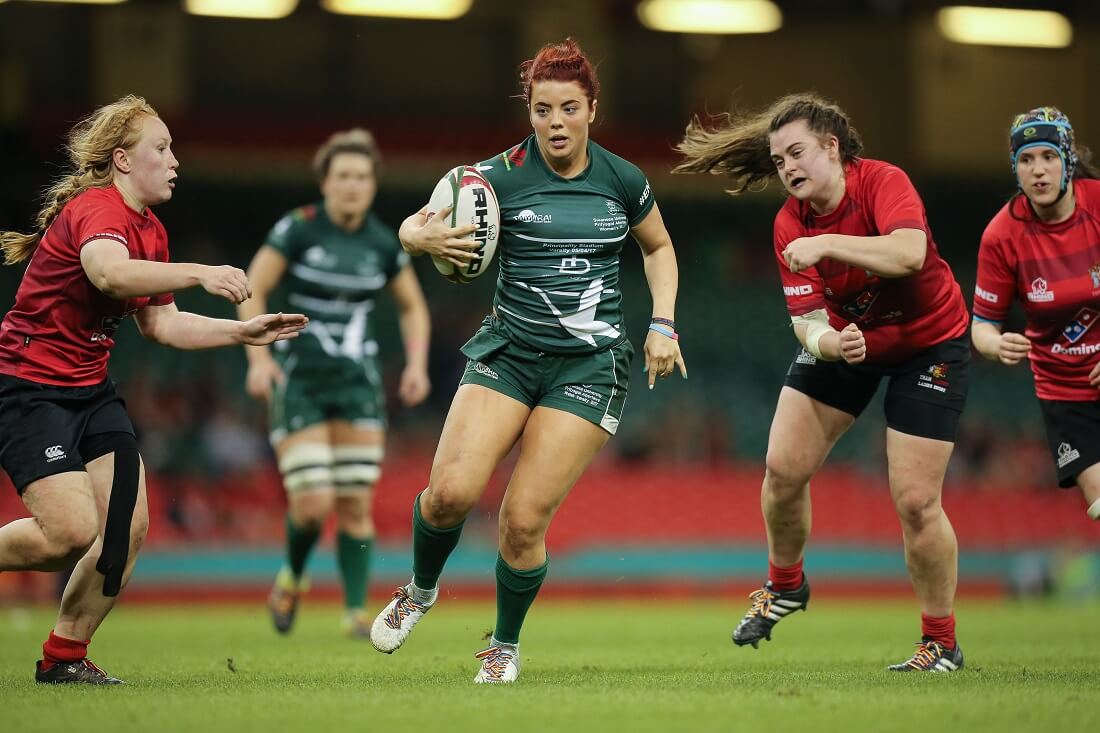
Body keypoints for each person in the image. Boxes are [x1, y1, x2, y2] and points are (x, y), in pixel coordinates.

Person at [366, 38, 686, 683]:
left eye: (569, 108)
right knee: (449, 496)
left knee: (520, 522)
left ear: (592, 108)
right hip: (508, 355)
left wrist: (662, 323)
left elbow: (658, 249)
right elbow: (412, 225)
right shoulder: (496, 176)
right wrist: (417, 235)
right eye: (543, 110)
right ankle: (421, 589)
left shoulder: (622, 179)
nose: (556, 123)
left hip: (589, 368)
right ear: (530, 111)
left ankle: (503, 646)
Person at [0, 95, 307, 684]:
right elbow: (108, 273)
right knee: (67, 535)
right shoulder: (96, 210)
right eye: (160, 149)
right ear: (121, 159)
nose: (173, 161)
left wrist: (241, 332)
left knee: (128, 526)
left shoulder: (151, 231)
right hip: (28, 388)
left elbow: (162, 325)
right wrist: (199, 273)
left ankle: (64, 659)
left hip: (89, 391)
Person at [674, 93, 970, 672]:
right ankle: (785, 584)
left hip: (930, 345)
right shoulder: (790, 223)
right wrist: (834, 345)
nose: (787, 168)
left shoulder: (883, 183)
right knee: (782, 470)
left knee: (915, 501)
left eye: (797, 153)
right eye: (779, 159)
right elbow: (806, 323)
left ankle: (941, 642)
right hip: (850, 341)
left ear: (832, 148)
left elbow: (910, 254)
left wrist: (830, 243)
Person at [238, 128, 431, 637]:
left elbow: (412, 307)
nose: (352, 186)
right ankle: (293, 576)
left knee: (354, 506)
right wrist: (257, 359)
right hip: (298, 379)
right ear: (325, 182)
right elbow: (249, 287)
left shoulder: (382, 244)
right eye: (343, 176)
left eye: (362, 177)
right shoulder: (298, 229)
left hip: (357, 385)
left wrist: (415, 364)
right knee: (312, 504)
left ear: (372, 185)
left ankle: (354, 612)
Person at [972, 106, 1100, 521]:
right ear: (1015, 167)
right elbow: (982, 324)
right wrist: (994, 344)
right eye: (1026, 160)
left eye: (1048, 157)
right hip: (1065, 392)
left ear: (1067, 161)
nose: (1038, 171)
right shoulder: (1001, 235)